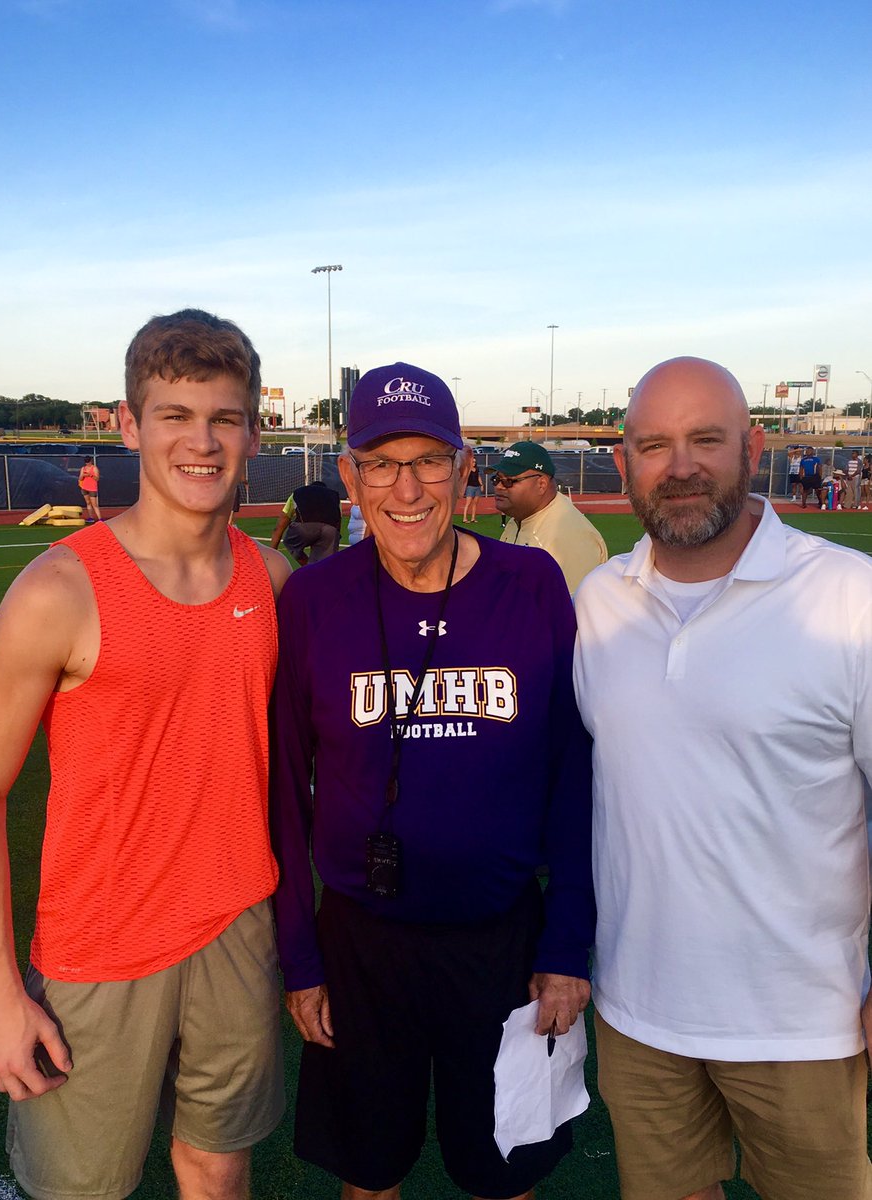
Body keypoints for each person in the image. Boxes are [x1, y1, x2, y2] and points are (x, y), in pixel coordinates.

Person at [0, 308, 291, 1200]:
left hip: (240, 927)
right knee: (82, 1189)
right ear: (127, 423)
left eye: (224, 418)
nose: (203, 441)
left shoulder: (271, 580)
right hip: (101, 952)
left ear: (253, 431)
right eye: (175, 415)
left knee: (219, 1165)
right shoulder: (60, 590)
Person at [272, 361, 595, 1200]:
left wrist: (564, 949)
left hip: (503, 944)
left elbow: (572, 773)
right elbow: (282, 789)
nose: (405, 487)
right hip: (359, 947)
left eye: (428, 461)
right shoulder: (312, 600)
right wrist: (301, 960)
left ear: (462, 470)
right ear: (349, 475)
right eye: (381, 462)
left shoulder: (531, 585)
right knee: (369, 1172)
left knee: (502, 1175)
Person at [573, 355, 872, 1200]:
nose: (680, 467)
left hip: (800, 1023)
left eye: (705, 439)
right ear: (624, 459)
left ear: (754, 445)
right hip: (639, 1014)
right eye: (654, 444)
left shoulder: (849, 599)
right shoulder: (600, 602)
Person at [489, 441, 607, 595]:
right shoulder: (520, 518)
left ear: (541, 484)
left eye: (509, 481)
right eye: (496, 479)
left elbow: (570, 612)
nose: (499, 486)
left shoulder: (569, 536)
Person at [270, 479, 342, 564]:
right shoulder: (335, 497)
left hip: (303, 529)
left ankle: (306, 566)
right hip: (330, 531)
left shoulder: (298, 493)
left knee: (290, 542)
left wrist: (271, 555)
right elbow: (338, 522)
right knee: (325, 564)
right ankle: (316, 571)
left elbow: (280, 526)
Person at [462, 455, 483, 522]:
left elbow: (478, 477)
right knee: (468, 503)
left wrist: (482, 485)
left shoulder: (477, 469)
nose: (474, 463)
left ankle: (473, 518)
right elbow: (464, 478)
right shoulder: (467, 469)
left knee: (475, 503)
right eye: (473, 462)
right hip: (470, 487)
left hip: (477, 487)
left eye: (475, 462)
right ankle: (464, 518)